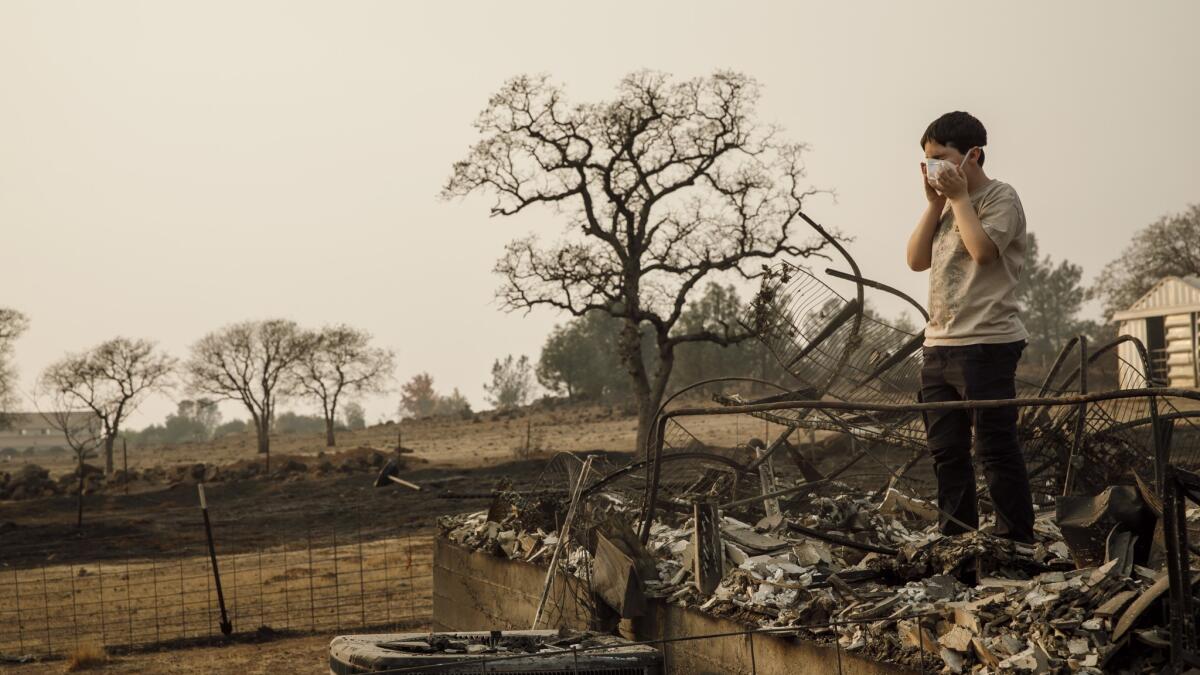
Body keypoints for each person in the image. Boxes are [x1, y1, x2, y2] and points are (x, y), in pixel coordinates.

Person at [905, 111, 1035, 546]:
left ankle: (1014, 542)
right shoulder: (944, 209)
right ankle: (956, 542)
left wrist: (959, 200)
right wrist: (934, 204)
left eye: (941, 157)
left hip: (989, 344)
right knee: (946, 452)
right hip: (938, 345)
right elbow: (916, 260)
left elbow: (982, 253)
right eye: (927, 159)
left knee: (995, 450)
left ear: (972, 156)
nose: (933, 167)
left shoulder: (1001, 198)